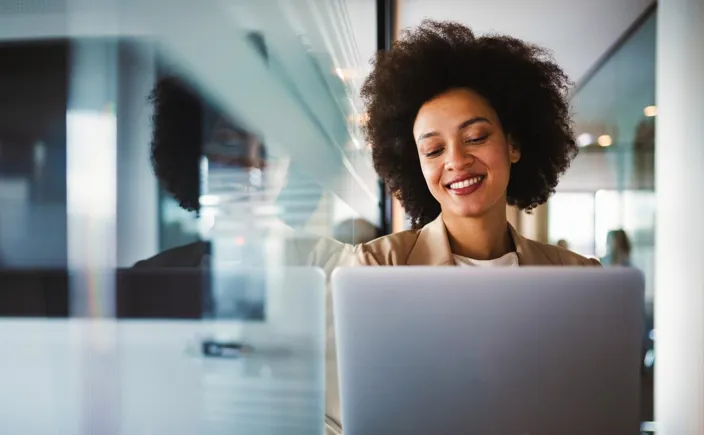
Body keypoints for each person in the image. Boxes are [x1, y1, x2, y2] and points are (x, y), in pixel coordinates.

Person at [349, 20, 599, 268]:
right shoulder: (377, 266)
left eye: (475, 137)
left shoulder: (581, 275)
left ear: (513, 145)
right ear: (417, 166)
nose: (457, 160)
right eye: (434, 150)